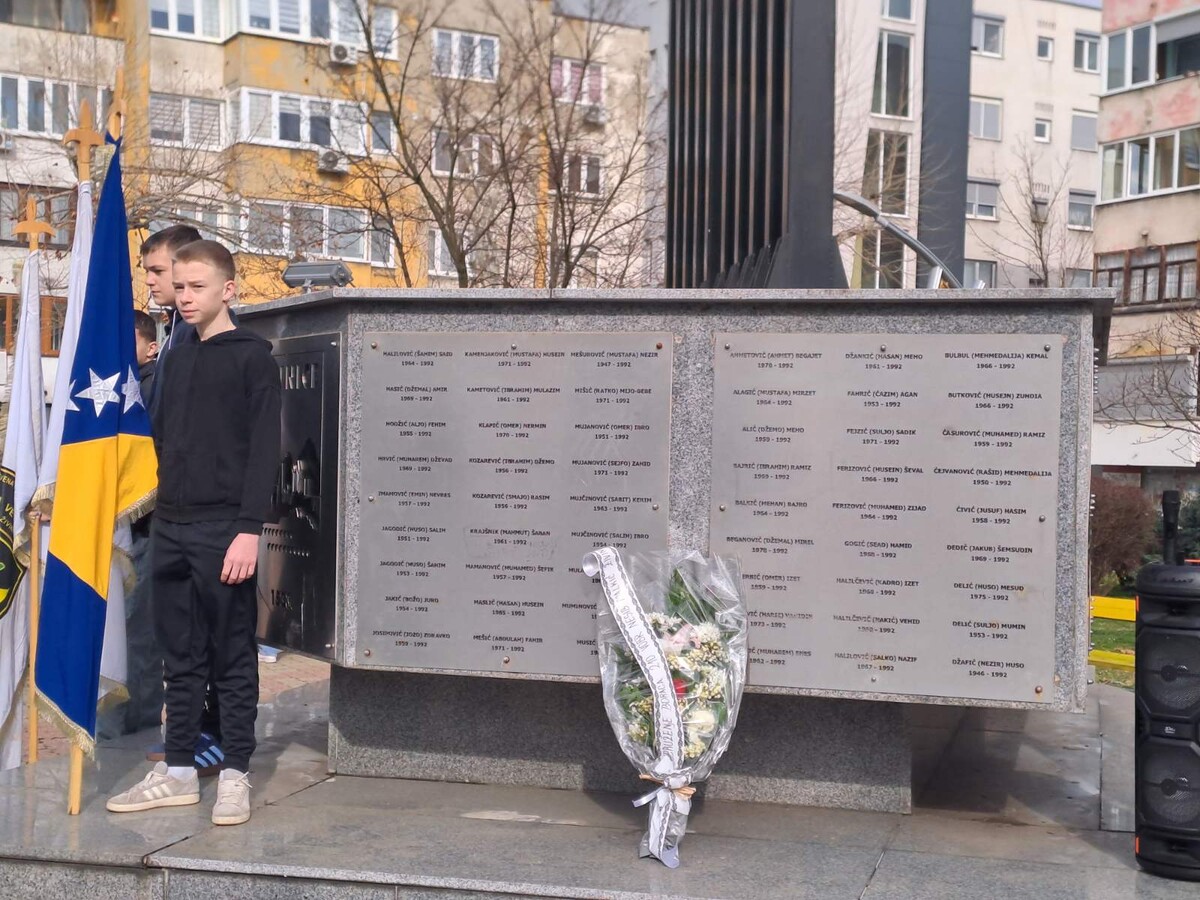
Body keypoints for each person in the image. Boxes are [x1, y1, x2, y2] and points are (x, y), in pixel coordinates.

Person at [107, 240, 281, 826]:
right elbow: (160, 444)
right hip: (172, 528)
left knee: (231, 654)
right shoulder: (175, 360)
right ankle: (179, 769)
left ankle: (235, 773)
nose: (184, 297)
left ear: (228, 290)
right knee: (179, 658)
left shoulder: (253, 359)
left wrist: (249, 530)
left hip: (225, 529)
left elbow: (264, 451)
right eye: (178, 286)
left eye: (196, 286)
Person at [138, 225, 227, 774]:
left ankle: (211, 735)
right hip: (172, 509)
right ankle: (190, 733)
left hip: (205, 513)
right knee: (181, 633)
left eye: (158, 270)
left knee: (209, 633)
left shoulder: (205, 336)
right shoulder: (175, 333)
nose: (151, 281)